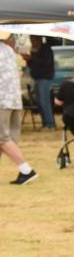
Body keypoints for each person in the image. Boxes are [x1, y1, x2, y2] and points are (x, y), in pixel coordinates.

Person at [0, 32, 37, 184]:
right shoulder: (8, 50)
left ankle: (26, 170)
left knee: (2, 138)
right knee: (7, 139)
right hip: (14, 99)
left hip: (1, 99)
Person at [22, 35, 56, 130]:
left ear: (39, 39)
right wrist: (28, 60)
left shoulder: (46, 49)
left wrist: (32, 58)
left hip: (45, 78)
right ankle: (45, 123)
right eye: (31, 40)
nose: (32, 42)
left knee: (44, 102)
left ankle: (50, 124)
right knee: (40, 102)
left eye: (33, 40)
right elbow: (32, 64)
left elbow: (45, 62)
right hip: (37, 78)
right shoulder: (34, 50)